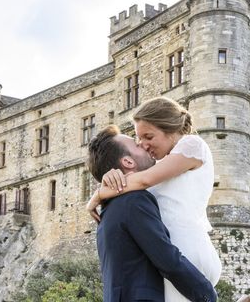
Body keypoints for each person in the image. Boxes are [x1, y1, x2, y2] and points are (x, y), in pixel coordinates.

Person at [87, 97, 222, 302]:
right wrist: (107, 184)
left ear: (168, 128)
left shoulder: (191, 145)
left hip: (186, 250)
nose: (143, 145)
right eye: (138, 140)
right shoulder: (157, 171)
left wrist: (99, 195)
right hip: (180, 254)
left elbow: (143, 180)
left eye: (148, 137)